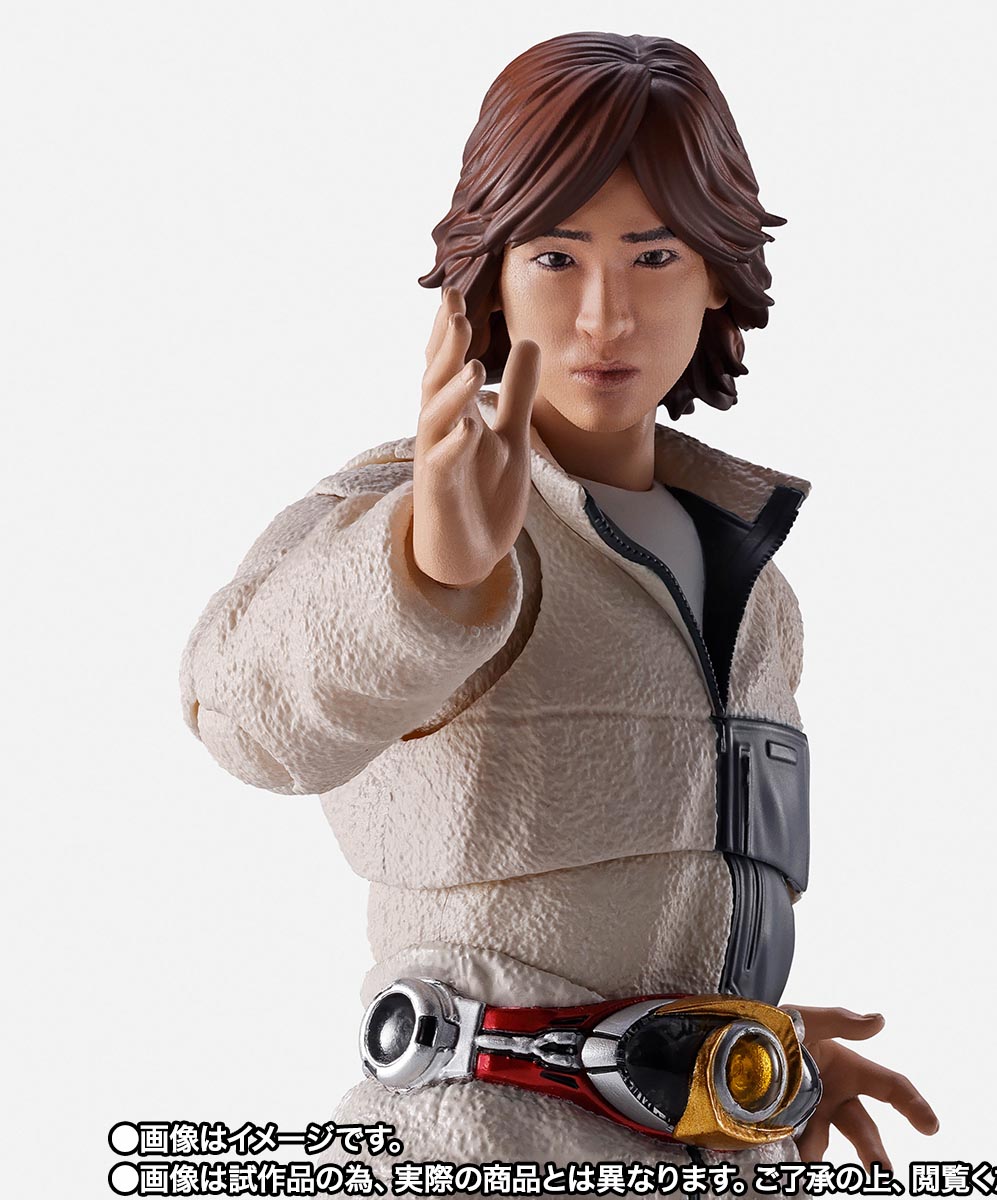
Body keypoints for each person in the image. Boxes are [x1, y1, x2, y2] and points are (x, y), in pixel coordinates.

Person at [180, 31, 936, 1185]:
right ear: (487, 274)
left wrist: (747, 1054)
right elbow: (245, 715)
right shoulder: (404, 511)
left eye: (653, 255)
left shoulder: (757, 587)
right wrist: (424, 573)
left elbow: (657, 901)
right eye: (555, 256)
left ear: (718, 272)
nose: (603, 316)